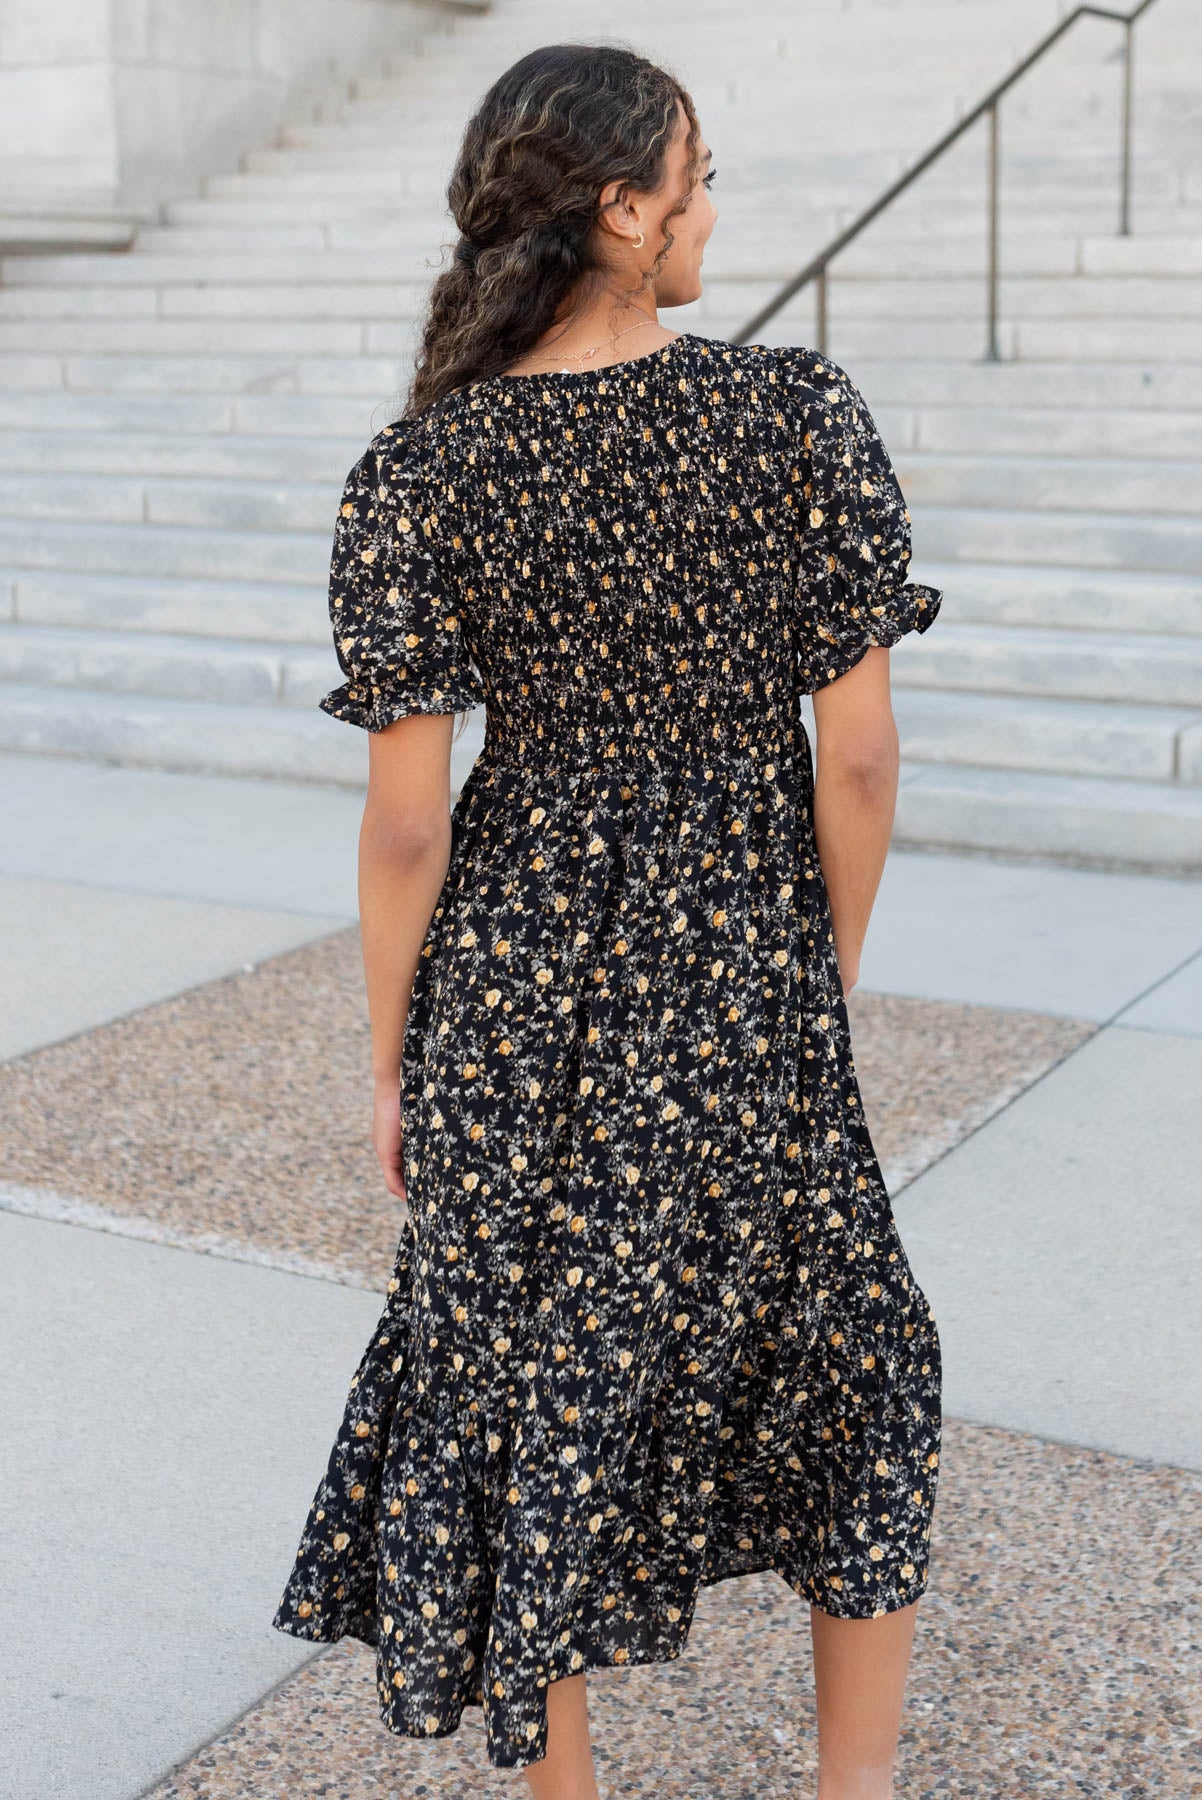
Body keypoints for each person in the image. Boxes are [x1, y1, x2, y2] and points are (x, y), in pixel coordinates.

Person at [271, 40, 943, 1800]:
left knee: (526, 1371)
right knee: (849, 1349)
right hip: (737, 950)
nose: (714, 208)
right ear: (620, 214)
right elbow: (856, 763)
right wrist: (820, 971)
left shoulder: (417, 469)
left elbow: (407, 822)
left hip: (514, 962)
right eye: (696, 177)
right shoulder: (794, 414)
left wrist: (390, 1057)